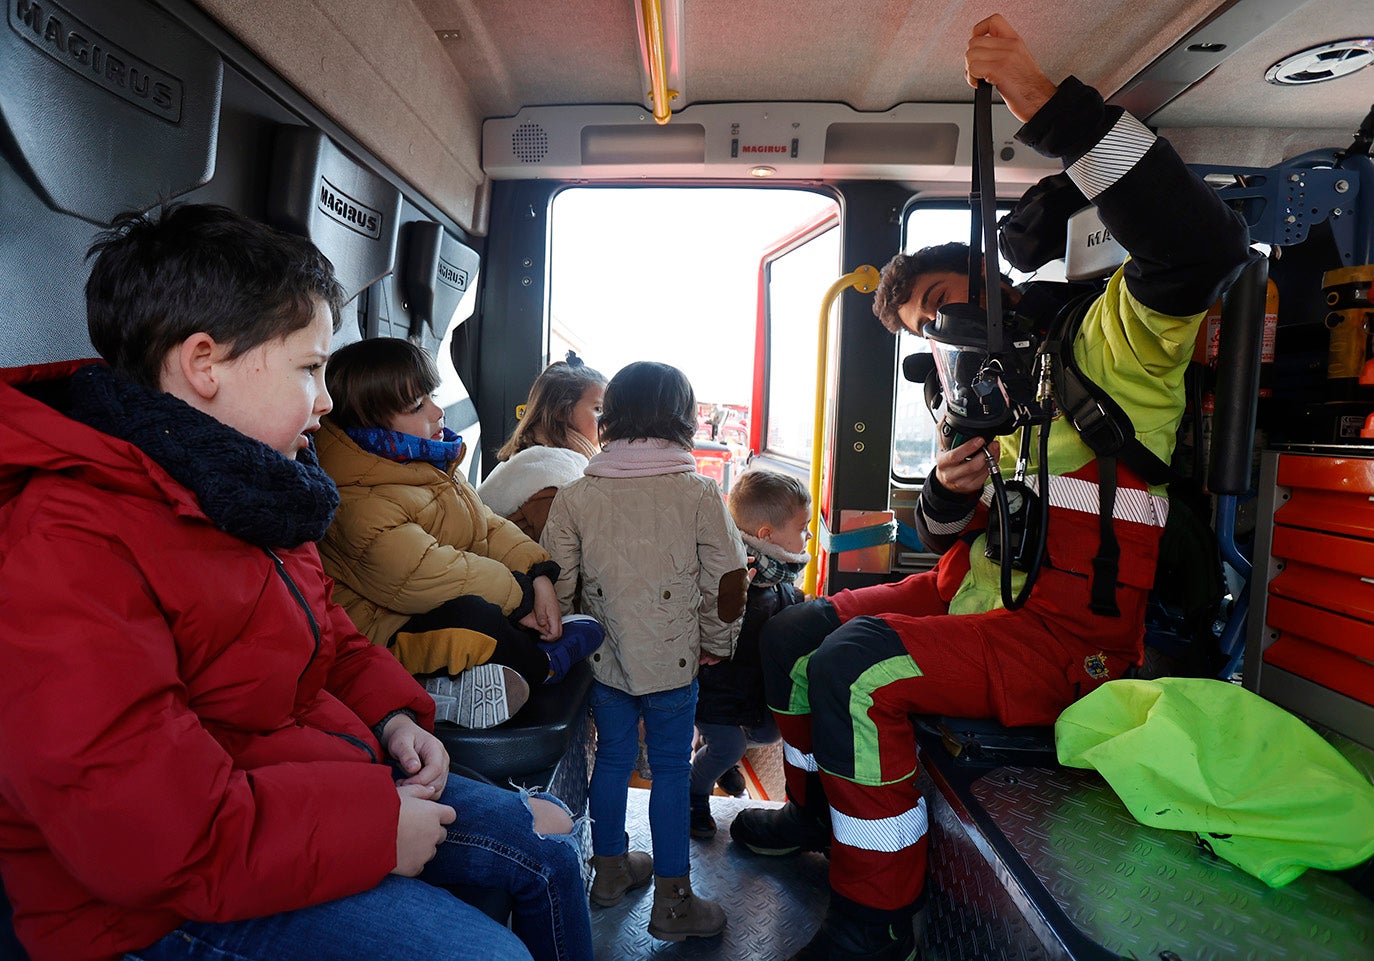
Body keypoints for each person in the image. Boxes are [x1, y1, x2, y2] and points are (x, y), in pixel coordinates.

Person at [728, 14, 1252, 961]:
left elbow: (1199, 252)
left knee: (856, 663)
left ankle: (875, 918)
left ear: (985, 271)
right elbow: (963, 537)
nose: (942, 340)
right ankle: (816, 813)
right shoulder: (996, 384)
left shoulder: (1107, 347)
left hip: (1070, 639)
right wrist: (944, 495)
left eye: (938, 309)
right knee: (795, 628)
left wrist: (1045, 106)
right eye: (925, 335)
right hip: (977, 594)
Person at [0, 203, 594, 961]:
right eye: (310, 369)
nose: (325, 400)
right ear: (205, 363)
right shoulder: (67, 541)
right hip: (144, 908)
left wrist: (393, 719)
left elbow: (328, 641)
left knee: (545, 846)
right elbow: (147, 833)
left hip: (297, 786)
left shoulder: (252, 489)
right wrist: (373, 831)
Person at [541, 361, 749, 942]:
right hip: (675, 664)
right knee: (671, 773)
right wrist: (715, 642)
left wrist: (573, 645)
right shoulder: (701, 492)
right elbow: (729, 582)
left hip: (606, 663)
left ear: (612, 418)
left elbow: (554, 584)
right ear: (683, 419)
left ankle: (608, 873)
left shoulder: (578, 494)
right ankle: (675, 903)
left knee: (609, 759)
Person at [315, 338, 604, 729]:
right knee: (474, 618)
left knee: (482, 608)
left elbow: (486, 525)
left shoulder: (425, 463)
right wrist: (520, 598)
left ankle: (466, 682)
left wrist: (537, 575)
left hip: (431, 608)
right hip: (383, 637)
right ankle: (542, 664)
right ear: (370, 422)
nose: (437, 412)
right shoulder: (355, 499)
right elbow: (426, 573)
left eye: (431, 396)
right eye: (417, 406)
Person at [690, 468, 811, 838]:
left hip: (750, 688)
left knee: (770, 732)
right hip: (719, 688)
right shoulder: (732, 578)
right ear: (766, 536)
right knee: (730, 743)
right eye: (802, 528)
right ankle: (693, 791)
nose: (807, 535)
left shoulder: (780, 581)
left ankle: (721, 759)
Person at [478, 351, 607, 541]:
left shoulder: (532, 459)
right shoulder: (552, 475)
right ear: (562, 411)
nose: (608, 420)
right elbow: (561, 554)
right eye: (598, 409)